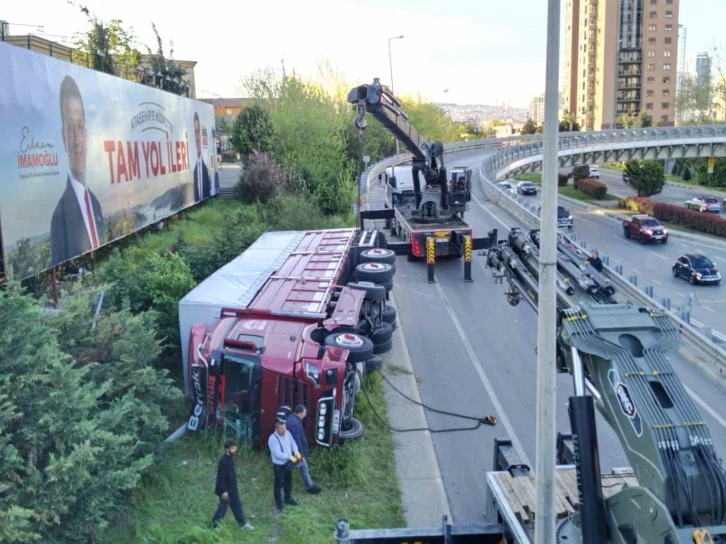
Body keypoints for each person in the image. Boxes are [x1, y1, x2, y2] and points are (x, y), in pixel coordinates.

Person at [50, 75, 105, 266]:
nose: (76, 139)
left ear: (86, 134)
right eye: (70, 127)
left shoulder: (96, 205)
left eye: (79, 126)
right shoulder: (59, 215)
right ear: (63, 138)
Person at [211, 438, 254, 531]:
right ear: (227, 449)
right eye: (233, 448)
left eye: (235, 448)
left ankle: (242, 525)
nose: (235, 450)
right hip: (225, 490)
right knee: (222, 509)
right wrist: (223, 491)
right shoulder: (223, 461)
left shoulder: (231, 459)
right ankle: (214, 525)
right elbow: (220, 478)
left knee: (237, 507)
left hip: (233, 489)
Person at [285, 405, 322, 495]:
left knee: (303, 467)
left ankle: (310, 486)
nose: (305, 415)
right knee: (295, 466)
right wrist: (300, 454)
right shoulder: (296, 424)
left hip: (290, 449)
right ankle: (309, 487)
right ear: (300, 413)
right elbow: (297, 440)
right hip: (296, 451)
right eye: (304, 413)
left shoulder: (290, 418)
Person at [268, 418, 300, 511]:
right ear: (276, 428)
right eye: (281, 428)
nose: (284, 430)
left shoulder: (287, 433)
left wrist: (296, 451)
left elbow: (292, 442)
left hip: (288, 464)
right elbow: (277, 453)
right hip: (279, 465)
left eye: (284, 427)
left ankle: (288, 499)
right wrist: (289, 456)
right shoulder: (272, 438)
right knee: (278, 484)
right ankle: (279, 503)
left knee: (288, 482)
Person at [192, 111, 211, 202]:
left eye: (198, 131)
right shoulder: (194, 171)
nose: (197, 138)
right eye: (195, 132)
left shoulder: (205, 169)